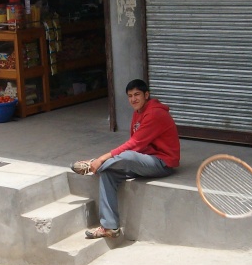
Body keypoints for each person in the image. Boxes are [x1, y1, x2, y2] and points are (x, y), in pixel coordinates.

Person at [71, 78, 180, 239]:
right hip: (144, 160)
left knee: (128, 155)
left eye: (137, 94)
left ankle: (93, 165)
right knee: (108, 174)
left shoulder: (155, 113)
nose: (133, 99)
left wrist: (101, 159)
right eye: (130, 96)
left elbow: (134, 144)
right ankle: (110, 227)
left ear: (146, 95)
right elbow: (136, 144)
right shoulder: (138, 113)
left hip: (162, 163)